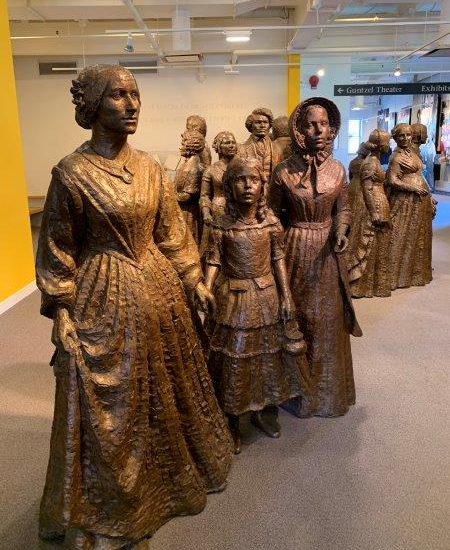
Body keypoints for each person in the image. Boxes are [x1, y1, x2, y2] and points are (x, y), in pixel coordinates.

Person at [36, 64, 233, 550]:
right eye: (118, 96)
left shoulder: (149, 167)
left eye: (136, 95)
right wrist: (61, 310)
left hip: (157, 290)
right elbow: (58, 247)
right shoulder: (71, 172)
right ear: (93, 106)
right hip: (102, 295)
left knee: (158, 389)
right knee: (108, 404)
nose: (132, 105)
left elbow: (171, 231)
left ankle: (157, 490)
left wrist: (193, 279)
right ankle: (107, 508)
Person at [204, 157, 310, 453]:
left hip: (265, 297)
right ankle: (235, 420)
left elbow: (278, 259)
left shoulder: (271, 222)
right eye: (240, 179)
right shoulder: (221, 223)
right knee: (235, 359)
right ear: (229, 185)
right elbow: (213, 259)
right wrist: (206, 288)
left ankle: (264, 411)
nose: (248, 185)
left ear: (262, 185)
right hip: (234, 298)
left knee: (267, 357)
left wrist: (286, 295)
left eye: (254, 179)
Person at [269, 97, 362, 419]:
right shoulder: (282, 172)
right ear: (299, 129)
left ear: (332, 127)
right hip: (294, 246)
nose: (318, 130)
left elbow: (345, 209)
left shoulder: (338, 170)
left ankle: (327, 391)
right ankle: (296, 392)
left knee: (328, 320)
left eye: (323, 123)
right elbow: (272, 214)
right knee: (299, 317)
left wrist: (342, 230)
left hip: (326, 253)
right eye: (311, 124)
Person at [386, 123, 435, 289]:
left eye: (408, 135)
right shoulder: (396, 157)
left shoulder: (412, 153)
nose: (406, 138)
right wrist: (413, 188)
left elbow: (419, 173)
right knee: (401, 235)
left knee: (417, 235)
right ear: (395, 138)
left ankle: (415, 272)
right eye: (402, 136)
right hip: (405, 200)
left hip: (419, 200)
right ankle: (395, 276)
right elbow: (392, 181)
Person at [347, 129, 392, 298]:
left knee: (376, 245)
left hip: (378, 202)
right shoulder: (370, 163)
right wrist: (374, 212)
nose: (389, 145)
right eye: (387, 142)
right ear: (381, 145)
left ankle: (372, 285)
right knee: (365, 243)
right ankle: (359, 285)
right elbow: (366, 189)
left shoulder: (375, 161)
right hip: (371, 206)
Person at [199, 131, 237, 258]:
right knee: (215, 251)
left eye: (233, 142)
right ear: (219, 147)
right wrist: (206, 213)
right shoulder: (210, 170)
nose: (231, 145)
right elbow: (204, 196)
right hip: (217, 213)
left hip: (238, 212)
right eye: (227, 143)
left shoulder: (242, 167)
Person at [174, 129, 205, 244]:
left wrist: (169, 196)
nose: (180, 147)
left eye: (183, 144)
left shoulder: (194, 168)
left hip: (189, 212)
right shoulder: (186, 165)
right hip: (182, 210)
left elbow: (187, 196)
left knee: (190, 240)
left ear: (191, 146)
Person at [238, 107, 283, 181]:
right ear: (251, 125)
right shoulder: (241, 149)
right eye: (258, 122)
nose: (262, 125)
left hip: (272, 190)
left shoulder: (277, 149)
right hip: (251, 189)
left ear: (269, 125)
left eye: (265, 122)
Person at [348, 143, 371, 210]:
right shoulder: (365, 163)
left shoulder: (352, 162)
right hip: (362, 186)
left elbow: (350, 176)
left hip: (352, 184)